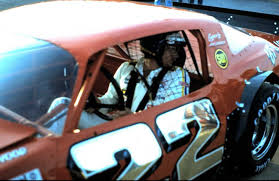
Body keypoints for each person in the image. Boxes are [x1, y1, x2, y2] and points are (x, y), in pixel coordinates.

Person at [47, 32, 190, 132]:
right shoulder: (127, 68)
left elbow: (172, 117)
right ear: (155, 48)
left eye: (176, 50)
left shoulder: (178, 75)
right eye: (171, 49)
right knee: (61, 105)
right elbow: (111, 98)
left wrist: (133, 118)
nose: (176, 54)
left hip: (146, 133)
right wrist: (95, 104)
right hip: (115, 125)